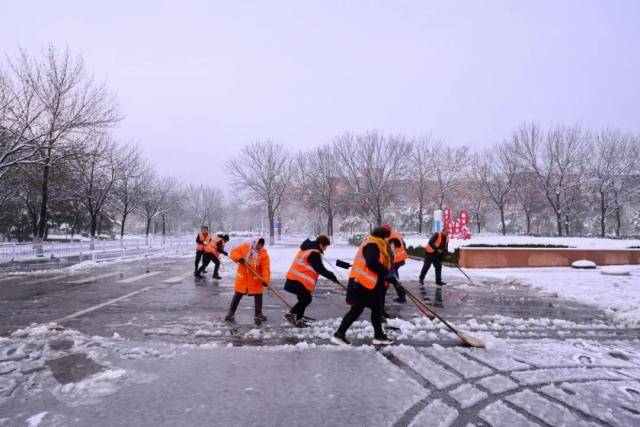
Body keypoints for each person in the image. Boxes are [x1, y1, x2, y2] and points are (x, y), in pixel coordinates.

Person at [331, 226, 397, 346]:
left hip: (366, 283)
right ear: (383, 236)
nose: (388, 240)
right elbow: (372, 263)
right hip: (361, 283)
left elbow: (378, 263)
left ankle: (378, 336)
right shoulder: (373, 244)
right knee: (358, 310)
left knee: (375, 308)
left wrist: (388, 276)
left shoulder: (377, 243)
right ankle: (339, 334)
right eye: (387, 237)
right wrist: (386, 273)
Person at [283, 235, 338, 327]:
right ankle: (291, 315)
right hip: (297, 280)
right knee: (306, 298)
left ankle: (299, 318)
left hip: (294, 279)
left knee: (304, 298)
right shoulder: (313, 253)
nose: (325, 249)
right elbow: (320, 269)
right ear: (321, 245)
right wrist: (332, 276)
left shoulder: (308, 249)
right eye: (325, 247)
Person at [224, 237, 271, 322]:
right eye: (258, 245)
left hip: (255, 281)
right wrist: (240, 258)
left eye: (261, 245)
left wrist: (265, 280)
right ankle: (230, 313)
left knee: (259, 296)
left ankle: (258, 314)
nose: (259, 247)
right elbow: (234, 252)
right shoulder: (244, 248)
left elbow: (266, 269)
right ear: (254, 243)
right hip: (243, 280)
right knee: (237, 296)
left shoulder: (263, 255)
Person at [385, 225, 408, 303]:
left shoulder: (391, 237)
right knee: (393, 278)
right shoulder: (395, 234)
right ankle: (401, 295)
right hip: (399, 258)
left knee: (393, 278)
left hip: (395, 260)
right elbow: (404, 244)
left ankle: (402, 296)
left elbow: (391, 251)